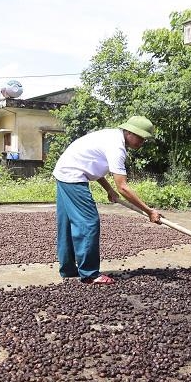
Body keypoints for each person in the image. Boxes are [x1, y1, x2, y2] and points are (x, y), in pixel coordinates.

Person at [52, 116, 162, 284]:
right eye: (140, 137)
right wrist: (149, 211)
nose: (142, 142)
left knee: (67, 223)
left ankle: (68, 270)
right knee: (89, 222)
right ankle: (90, 274)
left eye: (144, 139)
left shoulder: (111, 136)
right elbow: (123, 187)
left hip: (64, 172)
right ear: (129, 132)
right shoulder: (117, 147)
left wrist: (108, 189)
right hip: (72, 175)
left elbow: (93, 166)